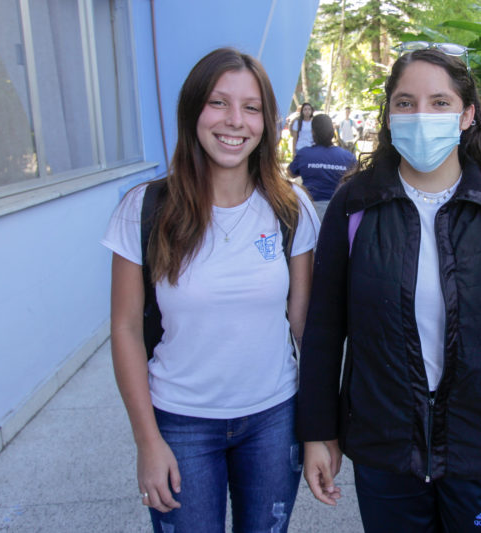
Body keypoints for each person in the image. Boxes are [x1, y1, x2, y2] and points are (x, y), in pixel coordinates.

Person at [296, 46, 481, 533]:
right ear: (389, 115)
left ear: (467, 115)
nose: (421, 115)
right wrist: (318, 432)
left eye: (439, 103)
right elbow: (324, 331)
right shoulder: (354, 205)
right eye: (405, 102)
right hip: (384, 448)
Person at [101, 48, 320, 532]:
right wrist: (147, 441)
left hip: (274, 420)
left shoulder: (292, 208)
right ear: (192, 110)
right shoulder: (143, 209)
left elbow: (305, 326)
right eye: (218, 102)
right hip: (179, 423)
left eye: (251, 107)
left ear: (267, 122)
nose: (235, 121)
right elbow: (125, 329)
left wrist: (320, 430)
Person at [289, 114, 356, 220]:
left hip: (310, 212)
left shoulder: (304, 154)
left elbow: (290, 173)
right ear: (332, 131)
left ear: (313, 132)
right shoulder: (348, 157)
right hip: (338, 212)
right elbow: (356, 182)